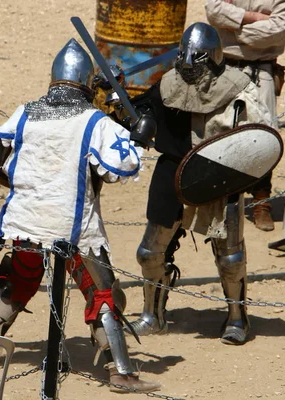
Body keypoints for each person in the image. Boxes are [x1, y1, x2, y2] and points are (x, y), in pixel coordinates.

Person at [0, 38, 160, 393]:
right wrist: (137, 138)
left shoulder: (26, 111)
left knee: (22, 277)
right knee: (102, 292)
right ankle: (119, 371)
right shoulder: (92, 120)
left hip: (25, 220)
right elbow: (120, 167)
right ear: (86, 82)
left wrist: (27, 184)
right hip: (72, 227)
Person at [114, 22, 272, 345]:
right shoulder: (170, 83)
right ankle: (152, 316)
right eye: (184, 55)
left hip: (219, 175)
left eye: (195, 57)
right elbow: (147, 109)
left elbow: (259, 137)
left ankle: (237, 317)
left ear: (211, 56)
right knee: (148, 252)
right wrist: (132, 114)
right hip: (172, 171)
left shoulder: (237, 88)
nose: (187, 63)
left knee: (230, 257)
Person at [205, 0, 285, 231]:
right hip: (223, 68)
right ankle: (217, 202)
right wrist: (256, 17)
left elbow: (276, 32)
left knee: (264, 138)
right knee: (217, 134)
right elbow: (213, 10)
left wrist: (233, 26)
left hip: (262, 71)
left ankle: (261, 202)